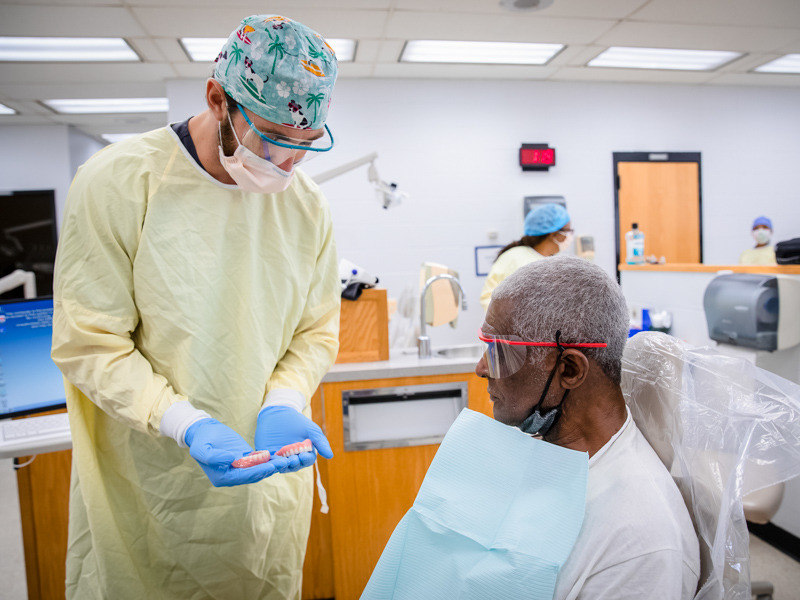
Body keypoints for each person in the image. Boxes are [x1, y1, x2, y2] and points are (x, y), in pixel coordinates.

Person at [51, 15, 340, 600]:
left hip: (266, 486)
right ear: (216, 98)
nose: (286, 167)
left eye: (303, 149)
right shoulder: (119, 182)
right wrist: (187, 423)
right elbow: (90, 340)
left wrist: (284, 399)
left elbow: (314, 332)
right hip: (151, 487)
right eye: (273, 141)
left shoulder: (306, 207)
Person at [477, 256, 700, 599]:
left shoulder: (638, 543)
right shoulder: (555, 453)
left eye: (499, 352)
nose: (481, 368)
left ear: (569, 370)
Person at [479, 203, 572, 310]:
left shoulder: (554, 261)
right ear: (554, 234)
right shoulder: (515, 258)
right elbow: (488, 298)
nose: (570, 235)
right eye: (568, 231)